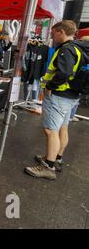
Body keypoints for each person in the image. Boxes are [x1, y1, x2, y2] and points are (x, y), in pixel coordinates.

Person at [25, 20, 89, 180]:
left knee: (50, 130)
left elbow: (64, 73)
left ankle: (48, 167)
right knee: (62, 128)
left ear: (61, 31)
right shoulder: (78, 49)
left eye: (53, 33)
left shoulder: (66, 50)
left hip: (59, 96)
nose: (52, 37)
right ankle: (57, 158)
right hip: (71, 96)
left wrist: (50, 87)